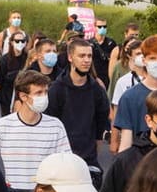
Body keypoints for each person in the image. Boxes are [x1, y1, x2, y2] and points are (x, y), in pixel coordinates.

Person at [0, 70, 73, 192]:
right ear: (23, 96)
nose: (43, 97)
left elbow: (66, 162)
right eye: (38, 93)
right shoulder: (3, 125)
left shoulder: (55, 125)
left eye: (45, 92)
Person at [48, 38, 113, 168]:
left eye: (89, 56)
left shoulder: (97, 90)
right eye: (81, 56)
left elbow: (101, 124)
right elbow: (50, 123)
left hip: (88, 159)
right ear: (70, 57)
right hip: (61, 158)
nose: (86, 60)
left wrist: (94, 152)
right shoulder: (56, 89)